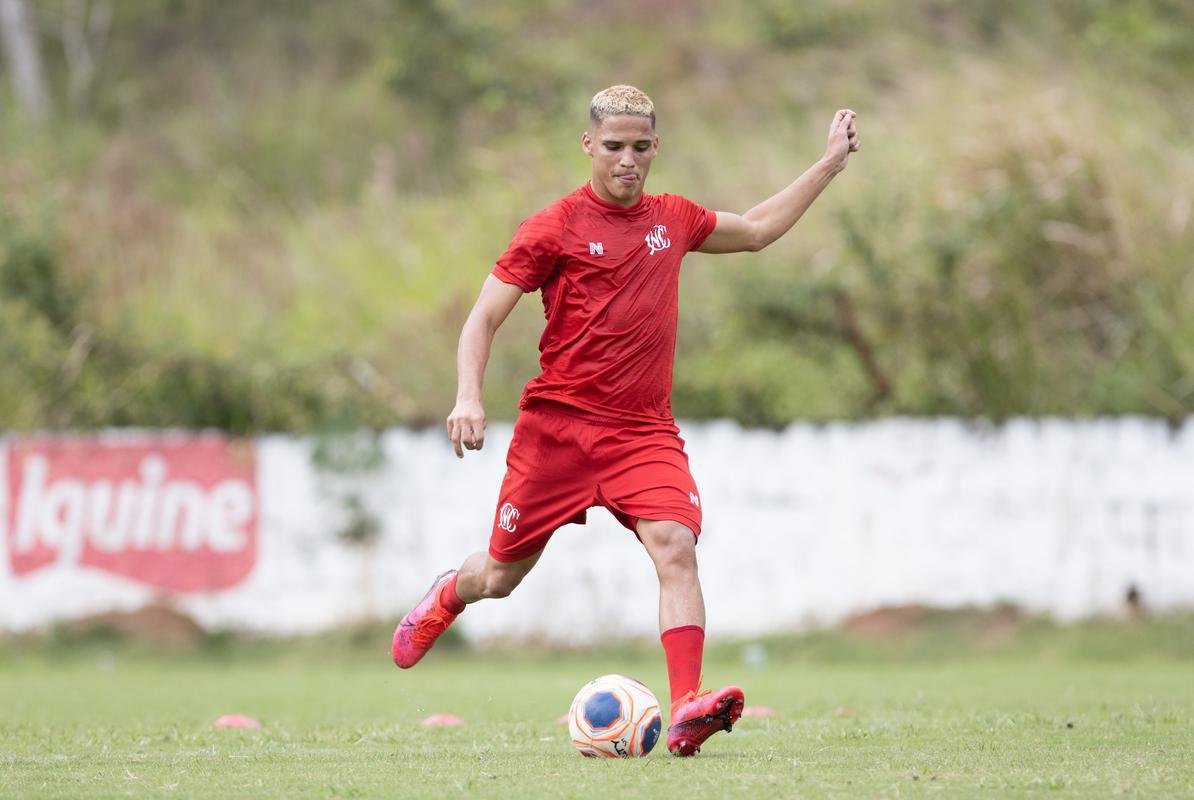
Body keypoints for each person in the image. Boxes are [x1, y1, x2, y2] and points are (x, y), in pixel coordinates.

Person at [392, 85, 859, 756]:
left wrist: (827, 166)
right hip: (556, 432)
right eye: (613, 147)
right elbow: (484, 315)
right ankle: (449, 593)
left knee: (676, 545)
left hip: (642, 432)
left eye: (640, 148)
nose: (627, 161)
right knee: (499, 577)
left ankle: (687, 712)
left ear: (655, 148)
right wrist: (468, 395)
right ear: (589, 145)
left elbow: (755, 230)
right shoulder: (552, 227)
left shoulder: (674, 218)